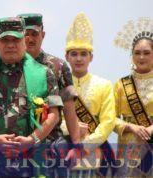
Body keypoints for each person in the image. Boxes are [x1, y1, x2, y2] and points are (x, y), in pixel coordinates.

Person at [0, 17, 63, 177]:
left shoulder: (45, 73)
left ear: (24, 40)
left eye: (15, 39)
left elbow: (54, 114)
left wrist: (31, 140)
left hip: (32, 160)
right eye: (5, 39)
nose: (10, 45)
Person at [18, 13, 81, 172]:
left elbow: (69, 109)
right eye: (25, 34)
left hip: (50, 148)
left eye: (34, 34)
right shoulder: (9, 67)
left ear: (43, 35)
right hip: (17, 149)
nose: (30, 39)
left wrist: (76, 145)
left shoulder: (58, 66)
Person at [64, 12, 116, 177]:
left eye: (83, 54)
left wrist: (85, 145)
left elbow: (108, 122)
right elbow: (54, 117)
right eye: (74, 54)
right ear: (66, 57)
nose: (79, 59)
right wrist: (70, 128)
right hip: (65, 150)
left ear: (91, 57)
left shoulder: (104, 85)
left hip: (95, 151)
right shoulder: (59, 84)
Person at [113, 17, 153, 177]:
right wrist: (131, 127)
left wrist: (150, 129)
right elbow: (110, 118)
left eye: (146, 53)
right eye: (137, 53)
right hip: (128, 151)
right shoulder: (121, 85)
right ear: (131, 55)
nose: (141, 57)